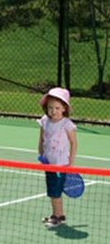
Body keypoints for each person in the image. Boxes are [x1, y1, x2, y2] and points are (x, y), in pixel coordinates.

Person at [38, 87, 77, 229]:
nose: (53, 111)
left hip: (61, 164)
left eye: (57, 108)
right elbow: (42, 138)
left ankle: (59, 217)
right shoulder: (44, 121)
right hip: (48, 162)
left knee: (56, 192)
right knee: (51, 191)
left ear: (64, 109)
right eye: (50, 108)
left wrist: (70, 163)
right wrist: (41, 154)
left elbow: (73, 143)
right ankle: (55, 214)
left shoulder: (67, 124)